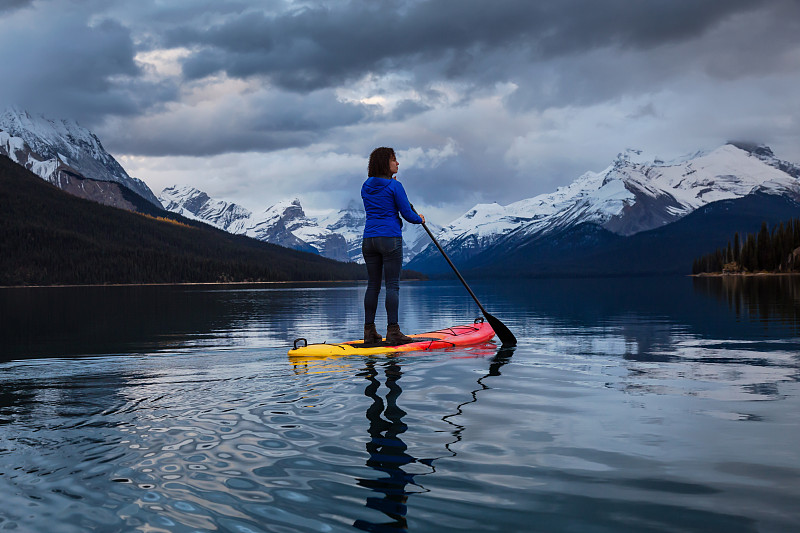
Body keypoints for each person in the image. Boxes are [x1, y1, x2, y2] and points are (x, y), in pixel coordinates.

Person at [361, 147, 425, 344]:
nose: (398, 163)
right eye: (394, 160)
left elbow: (380, 199)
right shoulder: (395, 187)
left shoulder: (365, 186)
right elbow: (406, 214)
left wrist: (392, 186)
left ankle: (369, 331)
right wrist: (420, 218)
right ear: (384, 163)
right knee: (392, 285)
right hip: (389, 239)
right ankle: (393, 331)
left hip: (368, 240)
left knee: (373, 285)